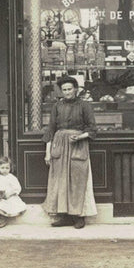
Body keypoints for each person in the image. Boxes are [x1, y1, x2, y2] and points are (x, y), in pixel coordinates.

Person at [42, 75, 97, 229]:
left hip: (78, 145)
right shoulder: (57, 106)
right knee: (60, 182)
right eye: (64, 90)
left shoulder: (85, 105)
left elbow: (92, 129)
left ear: (76, 89)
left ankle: (79, 217)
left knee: (77, 181)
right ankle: (64, 216)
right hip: (59, 145)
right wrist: (48, 152)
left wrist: (80, 136)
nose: (67, 92)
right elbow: (51, 130)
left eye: (69, 89)